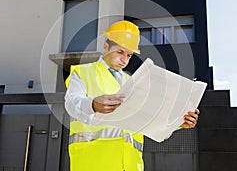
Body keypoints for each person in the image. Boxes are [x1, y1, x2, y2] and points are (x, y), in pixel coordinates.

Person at [64, 20, 200, 171]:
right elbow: (71, 104)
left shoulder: (133, 82)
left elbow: (148, 123)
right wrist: (93, 105)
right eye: (120, 52)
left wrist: (177, 123)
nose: (124, 59)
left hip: (131, 165)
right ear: (105, 46)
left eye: (129, 55)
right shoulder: (83, 72)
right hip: (94, 163)